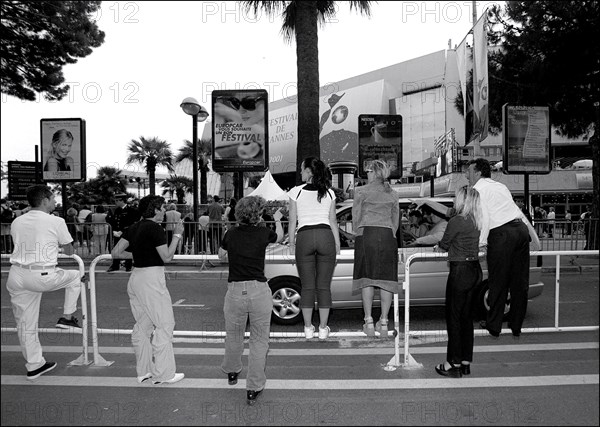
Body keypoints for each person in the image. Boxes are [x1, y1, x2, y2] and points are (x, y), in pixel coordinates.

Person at [6, 185, 82, 380]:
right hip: (41, 275)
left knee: (25, 324)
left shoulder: (17, 221)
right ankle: (67, 316)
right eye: (53, 198)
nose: (55, 202)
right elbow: (70, 251)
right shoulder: (56, 221)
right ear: (45, 200)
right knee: (75, 275)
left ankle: (34, 365)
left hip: (16, 274)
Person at [111, 195, 185, 385]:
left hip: (136, 277)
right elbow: (167, 257)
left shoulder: (134, 227)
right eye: (162, 208)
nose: (164, 212)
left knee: (143, 326)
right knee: (164, 324)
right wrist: (177, 235)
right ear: (155, 209)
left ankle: (144, 371)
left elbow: (116, 253)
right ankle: (164, 374)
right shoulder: (155, 228)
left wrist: (138, 254)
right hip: (151, 280)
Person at [218, 196, 284, 406]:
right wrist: (277, 219)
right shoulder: (264, 233)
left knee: (234, 335)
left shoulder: (231, 233)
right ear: (258, 214)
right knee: (259, 340)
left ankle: (231, 371)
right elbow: (280, 237)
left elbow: (221, 255)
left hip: (235, 290)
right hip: (258, 290)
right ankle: (253, 387)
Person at [466, 158, 530, 339]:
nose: (466, 175)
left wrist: (481, 242)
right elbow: (515, 210)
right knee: (520, 283)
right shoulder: (501, 186)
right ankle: (516, 325)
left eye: (469, 171)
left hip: (501, 235)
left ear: (478, 173)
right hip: (520, 231)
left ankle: (494, 325)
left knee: (498, 282)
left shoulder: (476, 190)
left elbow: (484, 217)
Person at [287, 157, 341, 340]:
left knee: (308, 287)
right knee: (324, 287)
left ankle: (308, 328)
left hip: (304, 237)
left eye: (302, 169)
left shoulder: (295, 192)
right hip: (326, 236)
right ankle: (324, 328)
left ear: (309, 171)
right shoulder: (330, 193)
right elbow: (333, 221)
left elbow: (293, 221)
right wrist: (337, 243)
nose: (300, 172)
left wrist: (292, 244)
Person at [433, 186, 483, 378]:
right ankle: (465, 362)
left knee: (453, 318)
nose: (454, 200)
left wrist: (439, 247)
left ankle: (451, 363)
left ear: (463, 200)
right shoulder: (475, 220)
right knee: (466, 318)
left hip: (460, 271)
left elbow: (444, 244)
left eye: (456, 197)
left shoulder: (456, 221)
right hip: (475, 270)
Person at [351, 160, 400, 338]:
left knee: (367, 279)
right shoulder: (393, 194)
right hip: (387, 236)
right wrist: (390, 233)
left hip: (367, 234)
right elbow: (396, 221)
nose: (366, 174)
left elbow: (356, 218)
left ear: (374, 172)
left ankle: (369, 322)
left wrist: (360, 232)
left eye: (368, 171)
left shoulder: (361, 191)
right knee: (386, 280)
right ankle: (385, 322)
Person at [106, 194, 139, 272]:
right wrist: (114, 230)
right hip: (117, 233)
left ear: (122, 201)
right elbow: (114, 221)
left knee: (128, 249)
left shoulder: (131, 210)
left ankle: (128, 265)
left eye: (117, 201)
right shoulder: (117, 210)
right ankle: (115, 265)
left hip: (126, 233)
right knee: (116, 248)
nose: (116, 202)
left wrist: (122, 231)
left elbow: (131, 222)